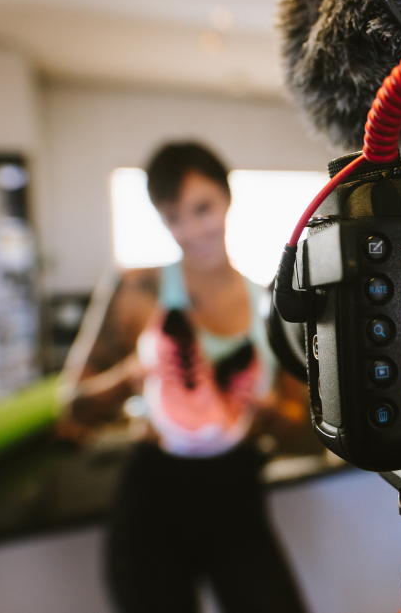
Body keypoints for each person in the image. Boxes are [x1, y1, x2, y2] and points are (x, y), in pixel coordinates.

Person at [67, 142, 309, 613]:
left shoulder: (270, 308)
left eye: (203, 209)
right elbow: (72, 404)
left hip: (237, 492)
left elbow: (298, 427)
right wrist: (129, 375)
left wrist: (266, 410)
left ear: (226, 200)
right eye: (174, 216)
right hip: (153, 495)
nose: (192, 229)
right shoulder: (138, 290)